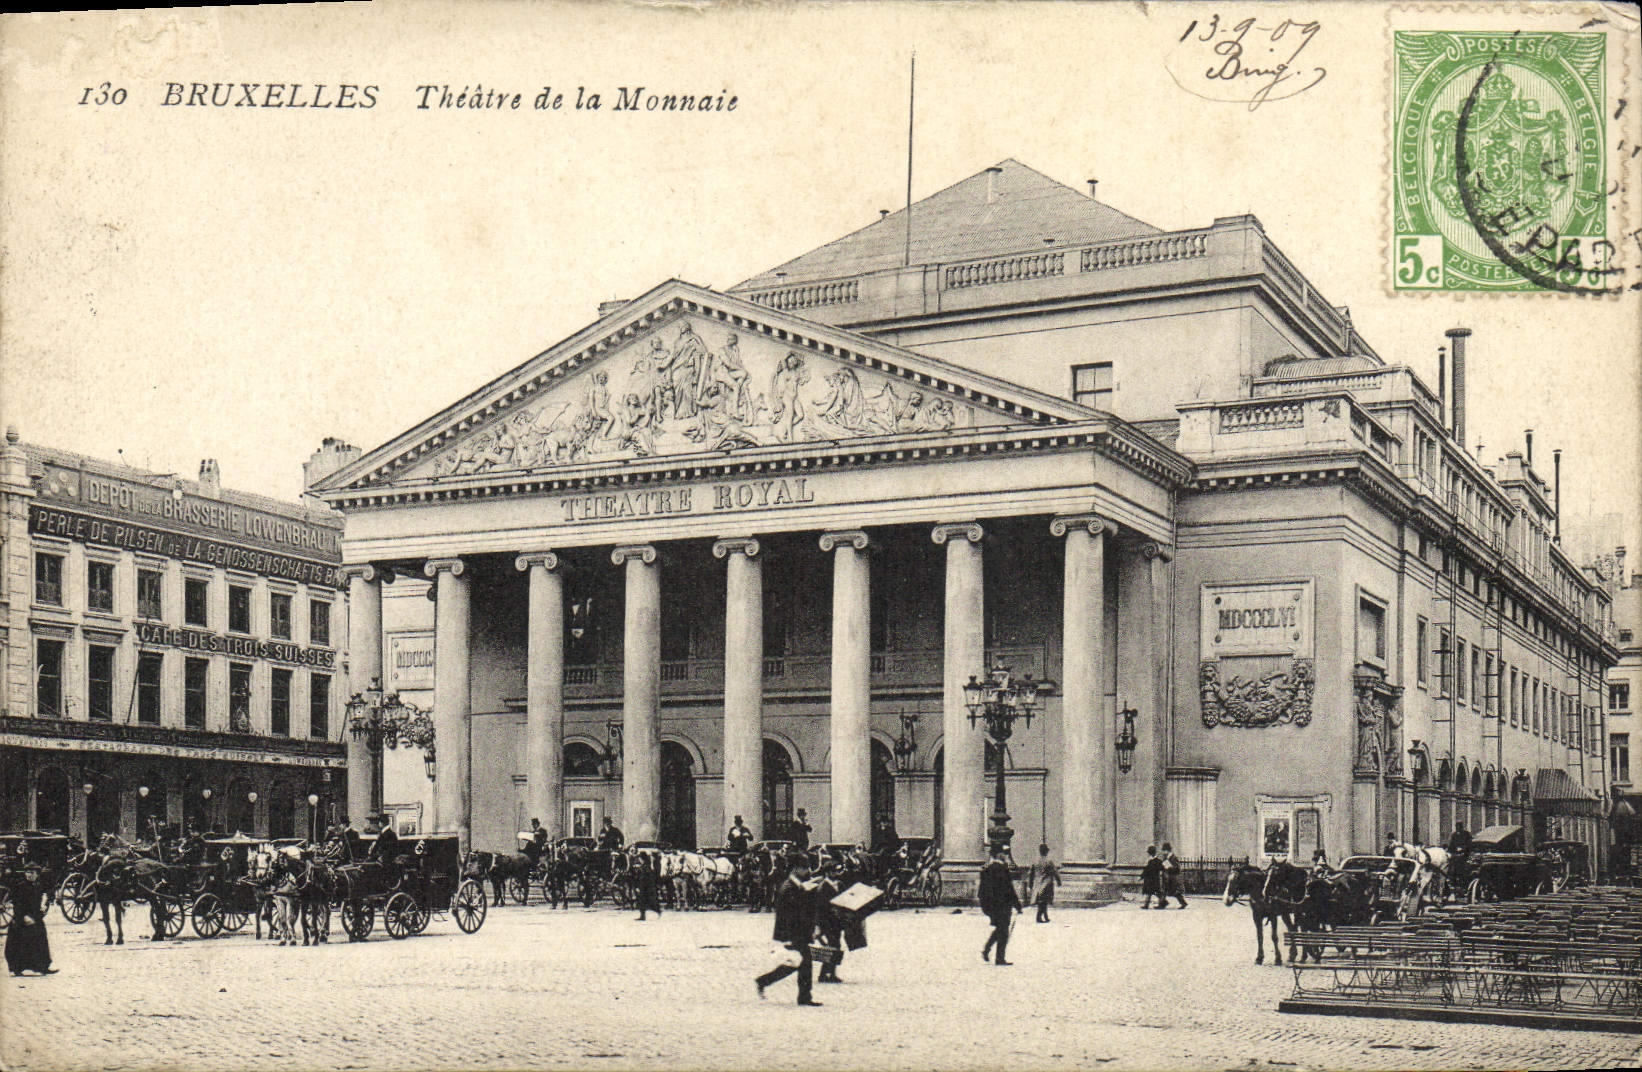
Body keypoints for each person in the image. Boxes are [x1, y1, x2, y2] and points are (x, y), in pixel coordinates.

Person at [755, 859, 823, 1006]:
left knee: (800, 963)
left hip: (799, 930)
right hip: (794, 931)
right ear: (795, 869)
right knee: (802, 962)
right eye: (805, 868)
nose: (808, 872)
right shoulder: (788, 886)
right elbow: (790, 910)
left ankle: (766, 981)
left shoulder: (794, 885)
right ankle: (803, 997)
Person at [5, 863, 57, 976]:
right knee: (20, 942)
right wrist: (23, 916)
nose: (29, 875)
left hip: (35, 917)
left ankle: (43, 966)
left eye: (32, 873)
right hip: (21, 918)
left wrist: (42, 910)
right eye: (27, 872)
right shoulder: (20, 886)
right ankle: (17, 968)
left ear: (37, 875)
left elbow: (38, 903)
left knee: (41, 939)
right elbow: (17, 904)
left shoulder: (37, 886)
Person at [978, 847, 1021, 965]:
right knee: (1003, 931)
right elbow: (1009, 889)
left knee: (1000, 929)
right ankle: (999, 958)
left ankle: (987, 950)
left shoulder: (987, 869)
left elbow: (981, 890)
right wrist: (1017, 905)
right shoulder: (1002, 869)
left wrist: (986, 905)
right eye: (1004, 853)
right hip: (1002, 905)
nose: (1006, 855)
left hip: (991, 905)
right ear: (999, 855)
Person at [1026, 843, 1060, 923]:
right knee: (1044, 900)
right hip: (1047, 883)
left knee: (1041, 900)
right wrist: (1058, 881)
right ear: (1046, 852)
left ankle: (1045, 916)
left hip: (1038, 883)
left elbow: (1030, 873)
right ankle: (1039, 916)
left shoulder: (1035, 861)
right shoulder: (1049, 861)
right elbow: (1055, 872)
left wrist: (1030, 884)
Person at [634, 853, 663, 921]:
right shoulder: (644, 866)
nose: (639, 860)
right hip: (644, 887)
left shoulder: (646, 867)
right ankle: (643, 915)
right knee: (643, 902)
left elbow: (645, 878)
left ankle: (645, 915)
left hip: (645, 887)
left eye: (640, 858)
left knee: (644, 901)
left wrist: (640, 887)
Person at [1159, 843, 1188, 908]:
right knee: (1165, 890)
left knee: (1174, 892)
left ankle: (1183, 903)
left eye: (1164, 850)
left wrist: (1169, 867)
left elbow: (1177, 868)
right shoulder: (1166, 858)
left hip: (1173, 878)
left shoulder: (1174, 858)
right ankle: (1162, 904)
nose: (1163, 852)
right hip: (1167, 877)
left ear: (1167, 850)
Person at [1139, 845, 1163, 909]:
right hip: (1150, 879)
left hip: (1154, 879)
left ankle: (1161, 904)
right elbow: (1146, 870)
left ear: (1152, 853)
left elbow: (1161, 868)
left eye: (1150, 853)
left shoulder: (1157, 861)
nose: (1149, 854)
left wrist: (1142, 876)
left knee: (1157, 892)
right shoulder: (1151, 861)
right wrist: (1142, 876)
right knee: (1149, 892)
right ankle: (1146, 905)